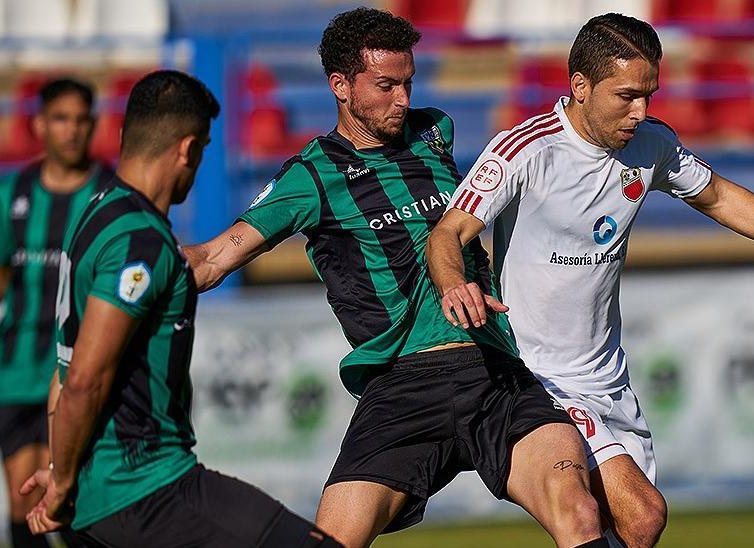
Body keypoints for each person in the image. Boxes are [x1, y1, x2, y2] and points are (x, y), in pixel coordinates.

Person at [428, 13, 754, 548]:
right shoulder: (525, 150)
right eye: (626, 96)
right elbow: (447, 234)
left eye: (649, 95)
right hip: (537, 377)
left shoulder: (651, 146)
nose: (640, 112)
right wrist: (456, 284)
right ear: (580, 85)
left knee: (634, 532)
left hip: (607, 378)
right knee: (640, 512)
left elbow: (718, 195)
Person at [182, 8, 608, 548]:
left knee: (578, 511)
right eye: (385, 86)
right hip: (402, 387)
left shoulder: (434, 133)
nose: (402, 100)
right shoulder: (312, 176)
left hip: (492, 368)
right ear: (340, 85)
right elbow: (215, 257)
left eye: (408, 82)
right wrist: (145, 265)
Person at [17, 70, 339, 548]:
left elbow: (61, 373)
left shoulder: (96, 215)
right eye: (205, 148)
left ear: (126, 135)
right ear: (189, 149)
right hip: (148, 487)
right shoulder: (141, 242)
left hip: (103, 495)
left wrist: (62, 472)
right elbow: (84, 378)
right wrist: (61, 484)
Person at [0, 77, 112, 548]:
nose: (72, 131)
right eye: (61, 119)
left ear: (93, 125)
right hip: (18, 368)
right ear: (39, 125)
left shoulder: (109, 193)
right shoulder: (13, 194)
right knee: (22, 501)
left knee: (68, 494)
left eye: (81, 120)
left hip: (75, 369)